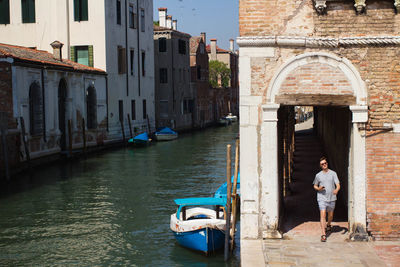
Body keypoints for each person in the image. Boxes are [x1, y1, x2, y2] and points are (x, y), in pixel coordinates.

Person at [313, 156, 340, 242]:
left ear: (327, 163)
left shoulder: (333, 173)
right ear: (320, 165)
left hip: (332, 198)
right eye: (322, 164)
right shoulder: (318, 175)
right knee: (323, 214)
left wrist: (336, 190)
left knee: (330, 216)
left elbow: (338, 184)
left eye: (325, 163)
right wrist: (318, 189)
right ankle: (323, 234)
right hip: (322, 198)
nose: (324, 165)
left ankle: (328, 224)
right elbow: (315, 185)